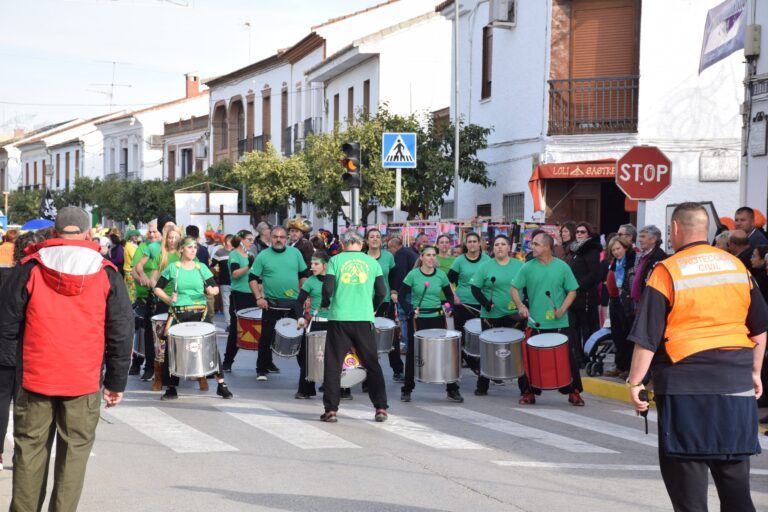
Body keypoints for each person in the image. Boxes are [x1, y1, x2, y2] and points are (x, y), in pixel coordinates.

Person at [628, 202, 767, 512]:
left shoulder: (667, 271)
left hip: (685, 391)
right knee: (737, 494)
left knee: (690, 499)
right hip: (736, 388)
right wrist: (755, 372)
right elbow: (760, 329)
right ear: (705, 229)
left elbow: (647, 339)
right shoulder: (737, 267)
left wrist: (635, 382)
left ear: (676, 229)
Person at [0, 206, 133, 511]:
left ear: (54, 232)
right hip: (83, 381)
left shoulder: (30, 267)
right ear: (88, 233)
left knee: (30, 453)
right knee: (74, 457)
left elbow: (6, 325)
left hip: (35, 378)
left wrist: (10, 374)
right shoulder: (106, 272)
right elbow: (121, 331)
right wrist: (115, 382)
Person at [320, 230, 388, 422]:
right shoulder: (373, 263)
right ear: (362, 243)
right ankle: (381, 407)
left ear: (342, 243)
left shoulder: (336, 261)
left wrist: (326, 302)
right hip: (364, 318)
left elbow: (328, 288)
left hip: (339, 318)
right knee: (372, 363)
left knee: (333, 364)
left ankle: (331, 410)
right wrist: (371, 308)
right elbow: (382, 291)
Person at [153, 236, 232, 400]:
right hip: (178, 312)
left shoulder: (201, 267)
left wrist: (212, 291)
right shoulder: (173, 268)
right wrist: (168, 299)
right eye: (189, 247)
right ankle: (171, 387)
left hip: (199, 312)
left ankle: (221, 384)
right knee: (172, 348)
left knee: (210, 346)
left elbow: (215, 288)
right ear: (181, 249)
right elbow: (157, 288)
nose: (193, 250)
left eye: (195, 247)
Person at [0, 230, 52, 472]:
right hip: (29, 350)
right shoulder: (41, 278)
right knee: (26, 407)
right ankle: (20, 457)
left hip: (4, 346)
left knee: (1, 401)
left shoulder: (4, 275)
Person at [512, 232, 584, 406]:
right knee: (528, 359)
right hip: (534, 322)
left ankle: (573, 392)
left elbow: (572, 291)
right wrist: (521, 306)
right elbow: (514, 288)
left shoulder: (562, 267)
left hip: (560, 322)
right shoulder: (527, 267)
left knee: (568, 358)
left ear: (547, 247)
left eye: (536, 244)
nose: (532, 247)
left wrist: (563, 308)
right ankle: (528, 392)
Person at [394, 245, 462, 403]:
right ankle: (407, 389)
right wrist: (410, 310)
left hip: (437, 317)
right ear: (422, 257)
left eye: (434, 255)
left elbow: (449, 296)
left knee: (445, 352)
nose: (432, 258)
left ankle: (452, 389)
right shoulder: (413, 275)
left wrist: (449, 306)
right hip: (418, 319)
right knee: (412, 353)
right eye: (428, 255)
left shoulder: (441, 275)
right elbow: (401, 296)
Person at [249, 226, 308, 380]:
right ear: (271, 238)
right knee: (266, 337)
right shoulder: (263, 255)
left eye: (282, 237)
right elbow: (252, 278)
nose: (279, 239)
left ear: (286, 238)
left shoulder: (295, 253)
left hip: (294, 303)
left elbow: (303, 276)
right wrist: (259, 298)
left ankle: (306, 371)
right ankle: (262, 369)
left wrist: (306, 296)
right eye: (275, 236)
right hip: (271, 303)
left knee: (301, 336)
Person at [470, 235, 523, 396]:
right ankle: (482, 385)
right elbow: (475, 288)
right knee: (487, 351)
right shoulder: (486, 266)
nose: (500, 247)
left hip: (514, 315)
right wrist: (485, 303)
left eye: (503, 244)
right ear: (493, 248)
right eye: (497, 244)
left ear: (509, 248)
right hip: (490, 315)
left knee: (518, 351)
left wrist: (524, 303)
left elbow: (527, 287)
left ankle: (525, 387)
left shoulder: (519, 266)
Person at [448, 232, 490, 378]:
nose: (472, 244)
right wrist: (454, 296)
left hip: (481, 304)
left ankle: (486, 368)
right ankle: (470, 365)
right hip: (462, 304)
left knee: (482, 337)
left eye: (474, 241)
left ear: (480, 243)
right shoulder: (459, 260)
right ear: (466, 245)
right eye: (469, 241)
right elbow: (449, 281)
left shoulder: (487, 259)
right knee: (462, 337)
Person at [365, 228, 404, 381]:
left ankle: (397, 369)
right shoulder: (361, 257)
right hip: (365, 302)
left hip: (385, 301)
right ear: (367, 240)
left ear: (381, 240)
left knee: (391, 336)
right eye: (371, 237)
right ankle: (366, 372)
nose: (375, 239)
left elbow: (394, 276)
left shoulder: (388, 257)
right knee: (366, 338)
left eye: (377, 237)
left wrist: (394, 291)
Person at [293, 251, 330, 399]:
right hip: (316, 323)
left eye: (316, 264)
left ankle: (341, 389)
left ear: (325, 265)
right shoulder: (310, 281)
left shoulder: (336, 280)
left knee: (336, 357)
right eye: (311, 264)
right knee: (307, 357)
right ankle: (305, 389)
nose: (312, 266)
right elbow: (298, 303)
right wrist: (300, 317)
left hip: (334, 324)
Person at [222, 231, 257, 371]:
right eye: (249, 239)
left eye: (252, 240)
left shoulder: (250, 255)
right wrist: (248, 266)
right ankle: (228, 361)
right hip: (239, 295)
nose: (251, 242)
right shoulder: (234, 254)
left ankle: (266, 362)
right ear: (241, 240)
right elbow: (235, 274)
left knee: (259, 327)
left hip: (253, 294)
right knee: (237, 329)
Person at [603, 236, 636, 379]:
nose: (616, 252)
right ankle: (620, 365)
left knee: (627, 335)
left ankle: (629, 367)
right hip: (615, 300)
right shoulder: (615, 262)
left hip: (626, 302)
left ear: (625, 247)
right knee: (617, 336)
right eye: (613, 250)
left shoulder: (631, 260)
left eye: (618, 249)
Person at [567, 222, 602, 360]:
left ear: (589, 234)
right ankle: (578, 355)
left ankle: (587, 355)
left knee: (585, 327)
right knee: (574, 327)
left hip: (585, 296)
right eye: (577, 232)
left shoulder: (591, 250)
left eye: (582, 232)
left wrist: (578, 286)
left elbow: (594, 273)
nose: (579, 234)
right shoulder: (576, 250)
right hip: (574, 296)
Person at [389, 236, 418, 351]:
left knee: (404, 317)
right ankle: (411, 345)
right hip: (414, 289)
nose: (390, 251)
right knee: (410, 317)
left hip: (406, 291)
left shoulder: (400, 254)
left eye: (390, 248)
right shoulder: (410, 252)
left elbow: (400, 274)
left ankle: (407, 346)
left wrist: (396, 290)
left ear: (394, 247)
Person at [630, 225, 667, 308]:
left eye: (643, 237)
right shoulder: (645, 255)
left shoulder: (658, 256)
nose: (639, 240)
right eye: (640, 237)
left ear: (653, 239)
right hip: (640, 302)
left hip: (648, 303)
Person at [211, 234, 233, 329]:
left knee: (236, 304)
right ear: (228, 242)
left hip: (238, 283)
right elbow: (212, 265)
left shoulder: (237, 252)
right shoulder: (219, 253)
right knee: (227, 304)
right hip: (225, 282)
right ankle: (229, 324)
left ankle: (236, 323)